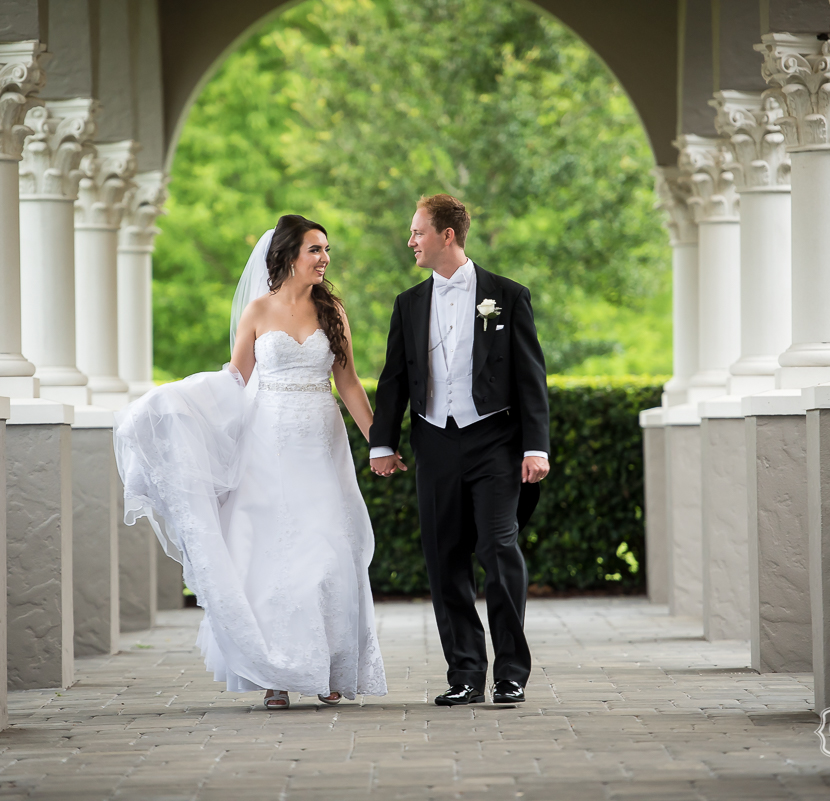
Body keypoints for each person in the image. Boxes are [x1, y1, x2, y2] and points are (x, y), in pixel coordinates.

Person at [114, 214, 387, 709]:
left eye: (326, 250)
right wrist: (175, 403)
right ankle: (276, 672)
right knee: (271, 555)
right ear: (288, 255)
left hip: (321, 443)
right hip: (267, 445)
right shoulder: (258, 312)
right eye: (315, 250)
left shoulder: (333, 312)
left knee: (328, 552)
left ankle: (328, 667)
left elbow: (348, 384)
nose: (325, 259)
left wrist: (379, 443)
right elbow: (236, 380)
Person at [369, 194, 550, 706]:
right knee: (443, 557)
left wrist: (536, 447)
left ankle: (511, 672)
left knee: (498, 549)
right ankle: (465, 674)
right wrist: (383, 441)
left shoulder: (507, 296)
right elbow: (395, 379)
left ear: (447, 235)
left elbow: (531, 378)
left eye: (418, 232)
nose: (411, 241)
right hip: (435, 442)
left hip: (495, 440)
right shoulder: (408, 303)